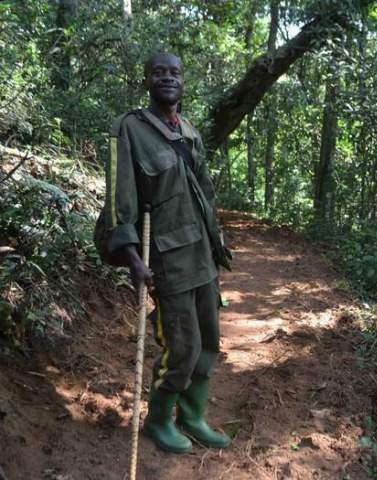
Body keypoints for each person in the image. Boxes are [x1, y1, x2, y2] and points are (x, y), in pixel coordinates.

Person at [102, 52, 231, 454]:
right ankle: (159, 420)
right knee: (182, 346)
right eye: (159, 72)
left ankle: (192, 417)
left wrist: (219, 239)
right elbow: (118, 199)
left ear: (184, 82)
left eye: (174, 72)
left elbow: (205, 193)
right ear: (147, 80)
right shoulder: (129, 129)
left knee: (209, 341)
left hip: (203, 256)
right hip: (167, 261)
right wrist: (133, 260)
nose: (167, 78)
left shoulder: (190, 130)